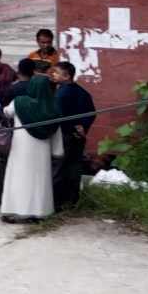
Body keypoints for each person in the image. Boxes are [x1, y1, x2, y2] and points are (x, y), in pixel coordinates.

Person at [0, 60, 58, 223]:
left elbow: (6, 112)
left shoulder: (20, 102)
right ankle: (38, 213)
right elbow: (56, 130)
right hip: (42, 150)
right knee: (39, 182)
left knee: (17, 178)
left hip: (20, 149)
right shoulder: (52, 106)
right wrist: (57, 150)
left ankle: (12, 210)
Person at [51, 61, 95, 211]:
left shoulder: (61, 93)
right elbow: (91, 112)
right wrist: (82, 128)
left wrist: (73, 129)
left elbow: (59, 115)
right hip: (78, 136)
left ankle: (56, 203)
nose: (53, 75)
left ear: (67, 76)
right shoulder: (82, 92)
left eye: (56, 73)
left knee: (59, 168)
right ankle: (72, 201)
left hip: (64, 135)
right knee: (74, 167)